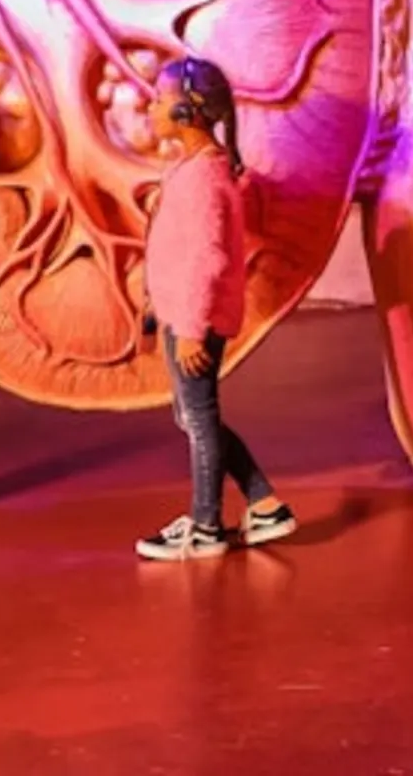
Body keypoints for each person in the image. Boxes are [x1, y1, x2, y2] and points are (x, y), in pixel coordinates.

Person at [134, 56, 297, 561]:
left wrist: (191, 328)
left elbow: (208, 257)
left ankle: (206, 525)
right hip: (181, 313)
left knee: (200, 420)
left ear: (188, 110)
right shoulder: (193, 170)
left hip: (194, 319)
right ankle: (263, 504)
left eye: (159, 100)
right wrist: (155, 306)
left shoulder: (204, 177)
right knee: (193, 417)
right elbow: (178, 248)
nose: (150, 108)